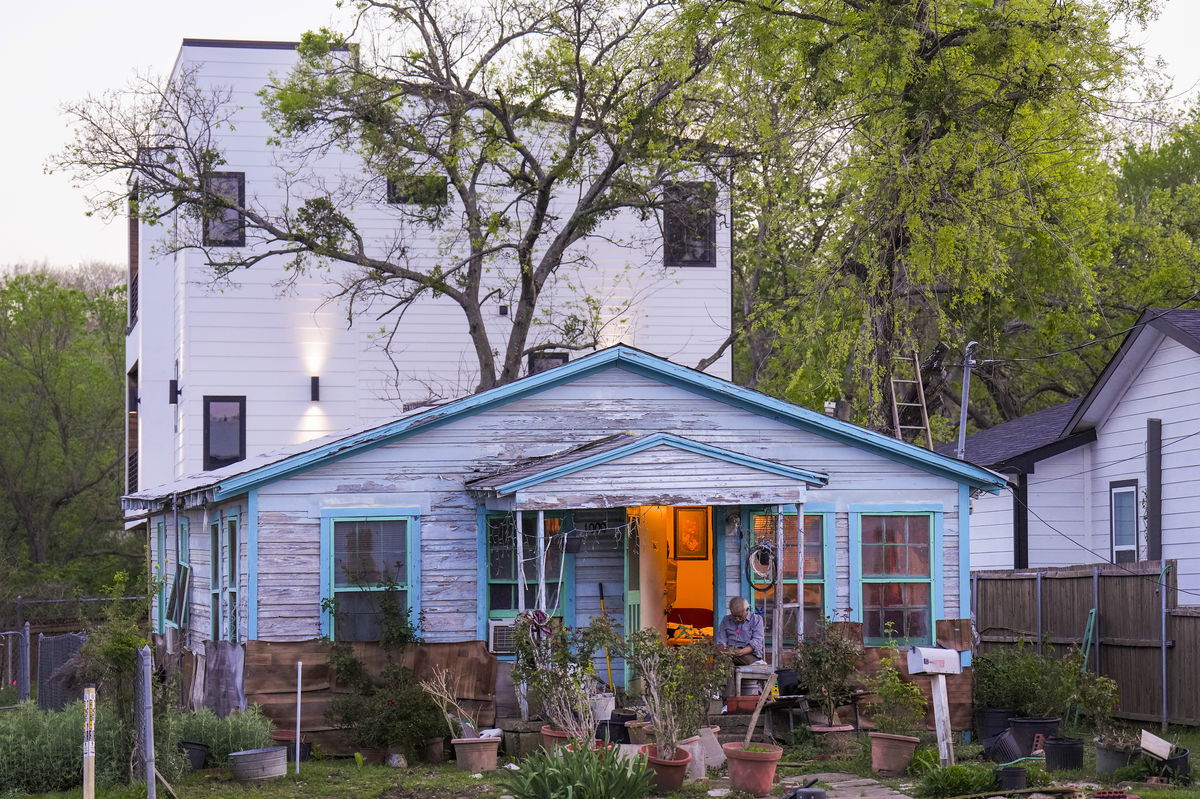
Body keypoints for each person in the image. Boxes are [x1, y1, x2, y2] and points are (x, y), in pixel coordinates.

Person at [715, 596, 764, 666]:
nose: (737, 619)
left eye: (740, 616)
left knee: (734, 660)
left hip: (748, 654)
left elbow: (756, 642)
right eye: (734, 616)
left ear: (747, 609)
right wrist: (723, 649)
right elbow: (721, 640)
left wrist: (740, 652)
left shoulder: (757, 620)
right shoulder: (726, 620)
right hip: (730, 653)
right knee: (722, 659)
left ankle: (757, 662)